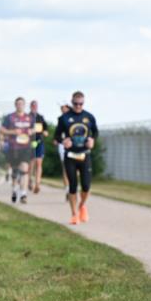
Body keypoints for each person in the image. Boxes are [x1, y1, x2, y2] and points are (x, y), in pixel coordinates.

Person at [55, 91, 98, 224]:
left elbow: (95, 132)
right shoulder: (64, 118)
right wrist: (63, 141)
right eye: (76, 104)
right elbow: (57, 136)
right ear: (72, 103)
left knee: (86, 186)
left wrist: (92, 140)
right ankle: (74, 214)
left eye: (81, 104)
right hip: (70, 156)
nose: (78, 106)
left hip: (85, 154)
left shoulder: (89, 117)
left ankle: (81, 206)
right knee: (73, 186)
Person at [0, 97, 34, 204]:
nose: (20, 106)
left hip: (25, 147)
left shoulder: (29, 117)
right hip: (13, 147)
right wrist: (12, 132)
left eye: (22, 104)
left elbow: (35, 128)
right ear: (15, 105)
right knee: (15, 172)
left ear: (24, 105)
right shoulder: (10, 117)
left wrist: (30, 131)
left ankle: (23, 194)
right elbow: (1, 129)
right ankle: (14, 190)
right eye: (18, 104)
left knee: (24, 169)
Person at [28, 100, 49, 194]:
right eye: (33, 106)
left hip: (39, 141)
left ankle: (37, 184)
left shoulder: (41, 117)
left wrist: (45, 132)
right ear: (30, 107)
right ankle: (29, 180)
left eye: (35, 106)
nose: (34, 107)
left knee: (39, 162)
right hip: (30, 142)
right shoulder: (26, 117)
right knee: (31, 163)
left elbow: (45, 130)